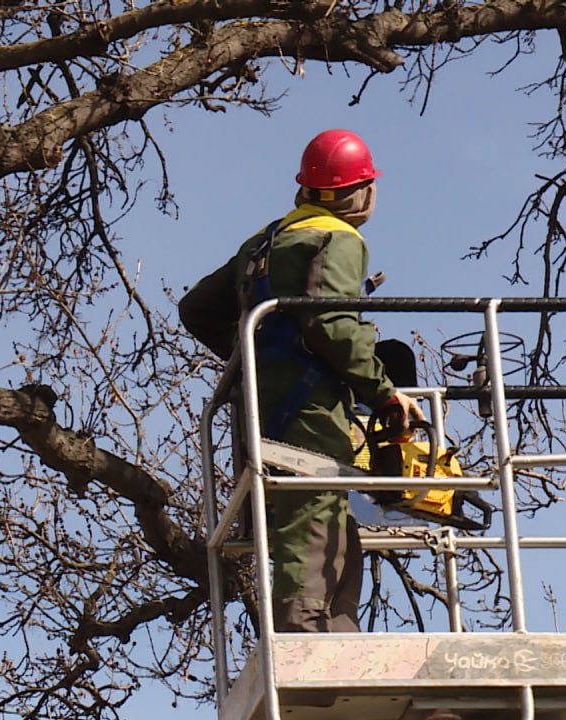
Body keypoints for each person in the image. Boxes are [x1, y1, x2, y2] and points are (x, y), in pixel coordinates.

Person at [179, 129, 423, 632]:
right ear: (361, 190)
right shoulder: (339, 238)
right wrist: (383, 392)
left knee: (328, 518)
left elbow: (197, 309)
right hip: (308, 404)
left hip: (258, 408)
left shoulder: (266, 240)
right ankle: (304, 636)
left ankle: (338, 631)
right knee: (313, 512)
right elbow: (332, 324)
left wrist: (255, 354)